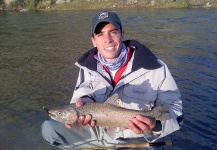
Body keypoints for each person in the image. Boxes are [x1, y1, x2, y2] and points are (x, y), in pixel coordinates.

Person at [41, 11, 183, 149]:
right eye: (100, 34)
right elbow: (80, 96)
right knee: (49, 128)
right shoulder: (87, 67)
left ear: (122, 35)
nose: (107, 39)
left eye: (113, 32)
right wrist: (84, 99)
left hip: (135, 137)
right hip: (97, 130)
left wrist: (155, 125)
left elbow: (176, 112)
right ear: (93, 41)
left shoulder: (153, 66)